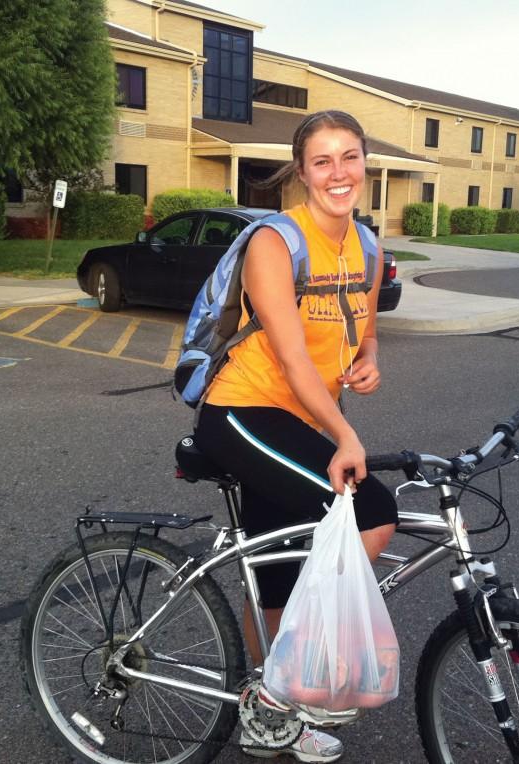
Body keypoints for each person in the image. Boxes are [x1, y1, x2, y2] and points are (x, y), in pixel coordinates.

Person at [195, 110, 398, 763]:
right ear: (302, 171)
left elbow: (361, 328)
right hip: (242, 413)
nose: (339, 173)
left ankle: (266, 709)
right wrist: (345, 433)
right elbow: (289, 360)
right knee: (372, 511)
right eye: (322, 161)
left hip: (300, 420)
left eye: (350, 157)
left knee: (277, 578)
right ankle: (286, 692)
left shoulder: (366, 247)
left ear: (365, 163)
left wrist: (369, 358)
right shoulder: (274, 244)